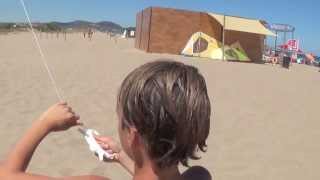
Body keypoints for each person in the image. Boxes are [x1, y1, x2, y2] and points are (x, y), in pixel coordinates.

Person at [0, 60, 212, 180]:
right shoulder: (199, 176)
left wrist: (45, 122)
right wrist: (121, 155)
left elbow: (6, 175)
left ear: (133, 136)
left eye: (121, 118)